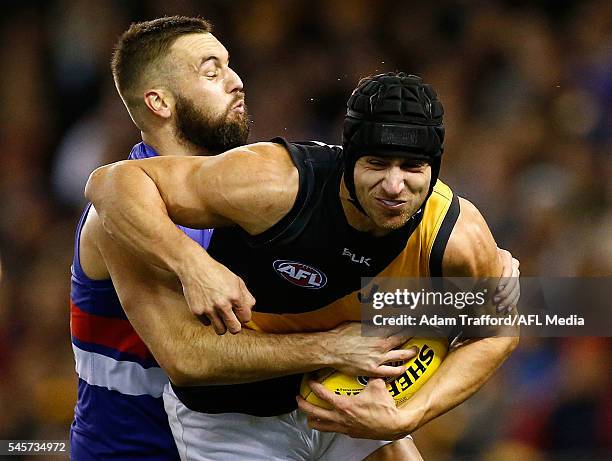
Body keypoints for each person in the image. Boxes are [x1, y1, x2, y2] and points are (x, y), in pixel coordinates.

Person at [71, 18, 489, 460]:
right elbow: (188, 360)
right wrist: (191, 262)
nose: (236, 82)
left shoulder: (256, 195)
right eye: (211, 72)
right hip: (140, 449)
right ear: (159, 102)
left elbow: (342, 317)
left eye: (231, 66)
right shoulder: (126, 218)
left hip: (274, 422)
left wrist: (487, 283)